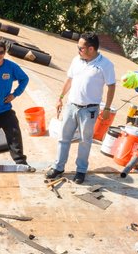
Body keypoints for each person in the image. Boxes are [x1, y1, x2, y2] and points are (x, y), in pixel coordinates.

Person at [47, 32, 117, 184]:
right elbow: (69, 80)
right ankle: (58, 167)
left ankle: (81, 170)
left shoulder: (106, 65)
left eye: (80, 48)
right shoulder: (76, 60)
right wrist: (60, 98)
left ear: (91, 49)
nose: (78, 50)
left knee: (85, 141)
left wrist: (107, 108)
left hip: (89, 110)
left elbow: (111, 86)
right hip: (71, 106)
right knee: (63, 138)